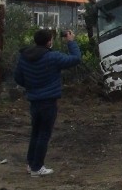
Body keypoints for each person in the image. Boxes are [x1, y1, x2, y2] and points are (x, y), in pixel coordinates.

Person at [14, 28, 82, 177]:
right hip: (48, 101)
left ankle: (31, 164)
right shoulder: (53, 57)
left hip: (34, 100)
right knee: (44, 134)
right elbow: (76, 58)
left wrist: (31, 86)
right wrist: (71, 42)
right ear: (49, 41)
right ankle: (37, 168)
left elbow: (18, 77)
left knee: (36, 133)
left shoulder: (24, 56)